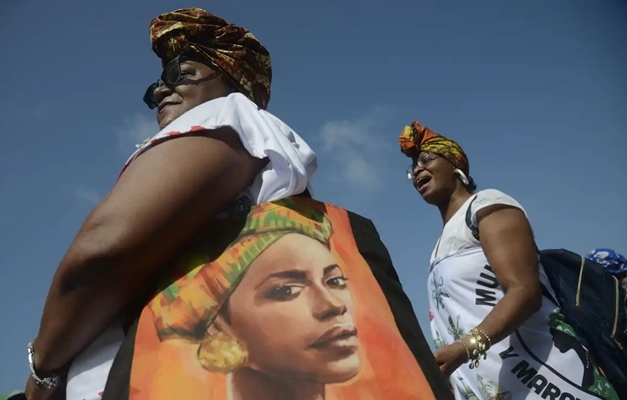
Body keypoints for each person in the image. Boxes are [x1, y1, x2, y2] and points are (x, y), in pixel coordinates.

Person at [24, 8, 316, 400]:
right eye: (156, 86)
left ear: (232, 78)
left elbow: (104, 247)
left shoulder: (231, 112)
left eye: (181, 74)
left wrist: (42, 369)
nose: (161, 91)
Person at [398, 121, 619, 400]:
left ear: (455, 163)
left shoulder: (487, 205)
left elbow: (524, 292)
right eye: (412, 168)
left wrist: (466, 347)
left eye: (426, 159)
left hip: (548, 379)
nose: (417, 169)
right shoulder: (437, 249)